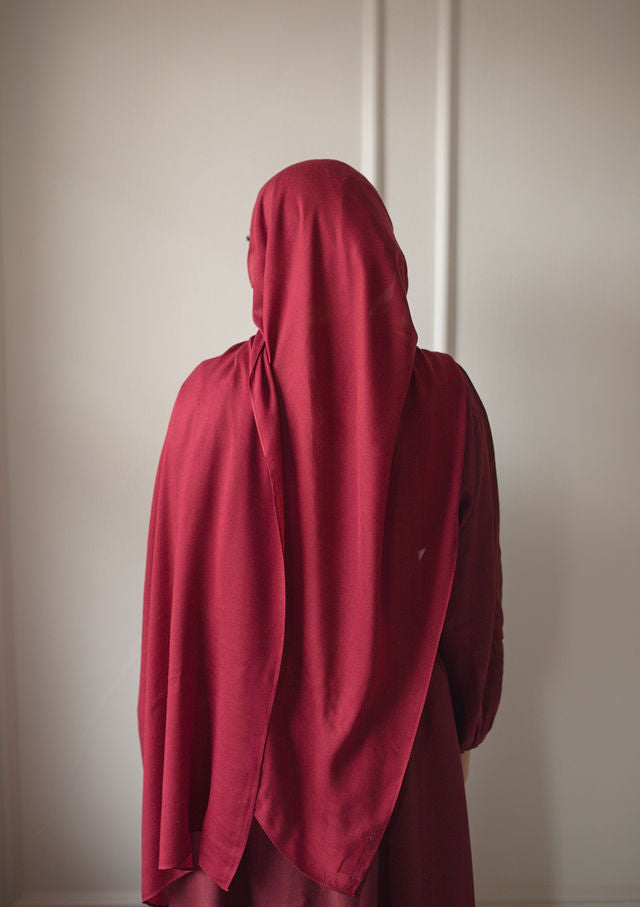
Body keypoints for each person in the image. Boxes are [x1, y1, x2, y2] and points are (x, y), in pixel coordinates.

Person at [137, 159, 504, 906]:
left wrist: (173, 748)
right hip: (404, 761)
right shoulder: (450, 404)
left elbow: (174, 615)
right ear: (383, 253)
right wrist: (462, 727)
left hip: (241, 772)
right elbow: (472, 607)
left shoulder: (206, 403)